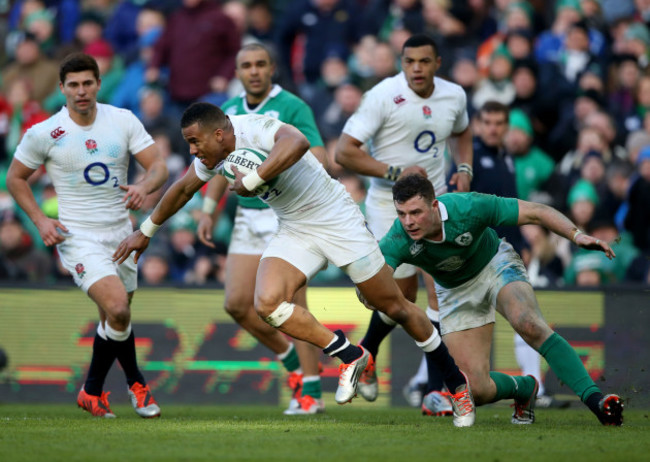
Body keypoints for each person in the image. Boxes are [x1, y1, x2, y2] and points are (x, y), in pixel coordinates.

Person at [113, 102, 477, 427]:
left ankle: (457, 387)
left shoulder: (256, 127)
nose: (192, 150)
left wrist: (254, 179)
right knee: (266, 303)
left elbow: (298, 142)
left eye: (195, 142)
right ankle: (351, 355)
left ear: (220, 133)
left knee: (394, 306)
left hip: (337, 220)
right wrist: (146, 231)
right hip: (295, 228)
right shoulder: (213, 156)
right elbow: (181, 189)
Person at [374, 173, 624, 426]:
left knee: (528, 323)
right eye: (402, 214)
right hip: (454, 292)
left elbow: (535, 212)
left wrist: (576, 235)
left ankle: (597, 402)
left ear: (435, 205)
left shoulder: (468, 206)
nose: (409, 222)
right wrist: (368, 294)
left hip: (494, 264)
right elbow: (374, 280)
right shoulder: (398, 238)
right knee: (475, 390)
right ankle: (524, 388)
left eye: (416, 212)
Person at [6, 53, 169, 418]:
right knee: (117, 308)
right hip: (77, 236)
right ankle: (136, 386)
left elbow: (158, 165)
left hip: (121, 233)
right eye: (74, 85)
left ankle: (92, 392)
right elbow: (15, 179)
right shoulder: (45, 132)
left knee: (117, 319)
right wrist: (40, 221)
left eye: (88, 83)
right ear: (62, 88)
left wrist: (145, 186)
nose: (81, 91)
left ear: (98, 83)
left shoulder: (122, 120)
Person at [335, 33, 473, 415]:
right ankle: (369, 351)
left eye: (424, 61)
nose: (416, 68)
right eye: (409, 61)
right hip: (389, 206)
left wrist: (464, 166)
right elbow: (344, 151)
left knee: (440, 292)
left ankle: (435, 390)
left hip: (435, 204)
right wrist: (395, 171)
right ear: (401, 62)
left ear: (437, 63)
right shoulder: (382, 95)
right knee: (400, 299)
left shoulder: (454, 96)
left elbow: (463, 131)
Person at [196, 43, 325, 415]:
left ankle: (311, 393)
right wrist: (208, 208)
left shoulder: (293, 107)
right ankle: (293, 365)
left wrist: (271, 169)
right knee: (236, 304)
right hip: (247, 216)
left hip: (284, 213)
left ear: (272, 69)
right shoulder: (229, 111)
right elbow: (219, 164)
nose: (253, 71)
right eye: (246, 65)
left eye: (260, 64)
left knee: (294, 303)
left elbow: (320, 155)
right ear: (237, 72)